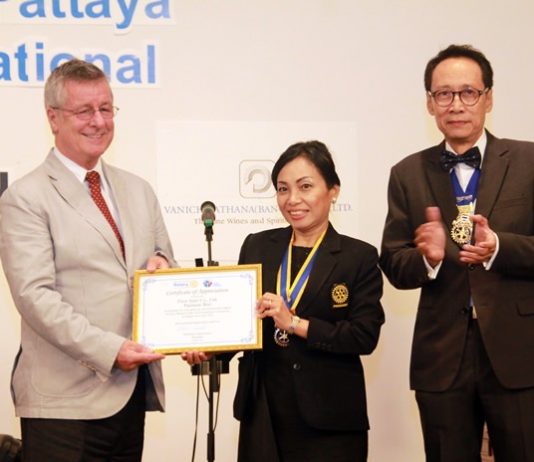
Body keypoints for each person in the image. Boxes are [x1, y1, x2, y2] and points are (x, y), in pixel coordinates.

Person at [0, 58, 175, 461]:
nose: (99, 121)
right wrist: (111, 349)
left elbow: (164, 259)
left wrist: (164, 268)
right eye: (84, 111)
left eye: (106, 108)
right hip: (63, 405)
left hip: (130, 396)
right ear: (53, 117)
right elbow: (35, 297)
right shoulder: (25, 198)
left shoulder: (139, 190)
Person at [184, 140, 384, 462]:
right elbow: (241, 323)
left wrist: (294, 323)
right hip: (263, 410)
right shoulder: (257, 246)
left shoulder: (358, 256)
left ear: (333, 191)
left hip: (329, 418)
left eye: (305, 186)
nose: (292, 199)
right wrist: (211, 349)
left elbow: (363, 336)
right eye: (282, 189)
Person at [380, 44, 534, 461]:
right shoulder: (407, 173)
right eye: (444, 94)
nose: (456, 104)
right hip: (441, 356)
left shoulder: (528, 161)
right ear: (430, 103)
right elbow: (393, 261)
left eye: (468, 92)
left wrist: (499, 246)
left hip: (518, 353)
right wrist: (427, 258)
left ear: (488, 98)